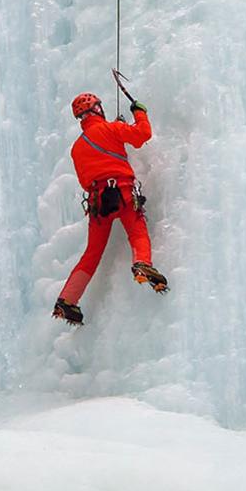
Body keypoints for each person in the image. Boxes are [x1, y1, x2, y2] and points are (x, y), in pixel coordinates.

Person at [53, 92, 167, 325]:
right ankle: (142, 264)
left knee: (92, 253)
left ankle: (67, 299)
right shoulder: (111, 129)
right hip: (123, 193)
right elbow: (142, 135)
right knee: (137, 232)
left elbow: (85, 180)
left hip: (98, 203)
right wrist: (139, 112)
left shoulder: (77, 148)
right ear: (96, 110)